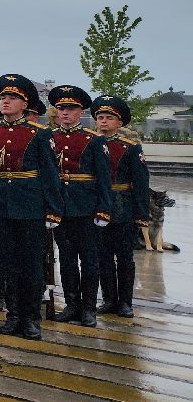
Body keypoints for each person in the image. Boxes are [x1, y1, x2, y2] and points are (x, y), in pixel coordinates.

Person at [0, 74, 61, 339]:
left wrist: (53, 209)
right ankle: (14, 315)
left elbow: (51, 174)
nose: (5, 101)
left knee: (31, 264)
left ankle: (31, 319)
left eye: (12, 98)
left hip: (30, 205)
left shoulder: (40, 134)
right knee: (6, 264)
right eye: (3, 97)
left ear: (24, 103)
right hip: (0, 207)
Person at [48, 85, 112, 327]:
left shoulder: (94, 140)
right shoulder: (49, 137)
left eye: (71, 109)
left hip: (86, 207)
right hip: (59, 207)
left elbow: (105, 178)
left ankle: (88, 308)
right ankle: (72, 304)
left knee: (89, 259)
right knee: (65, 258)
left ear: (81, 112)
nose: (65, 113)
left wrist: (104, 209)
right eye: (61, 108)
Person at [93, 95, 151, 318]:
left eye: (109, 117)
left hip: (123, 207)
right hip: (98, 208)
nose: (103, 121)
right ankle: (108, 299)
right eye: (100, 117)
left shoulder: (130, 148)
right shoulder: (91, 144)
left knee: (125, 257)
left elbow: (141, 183)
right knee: (103, 257)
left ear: (120, 123)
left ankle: (125, 301)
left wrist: (141, 214)